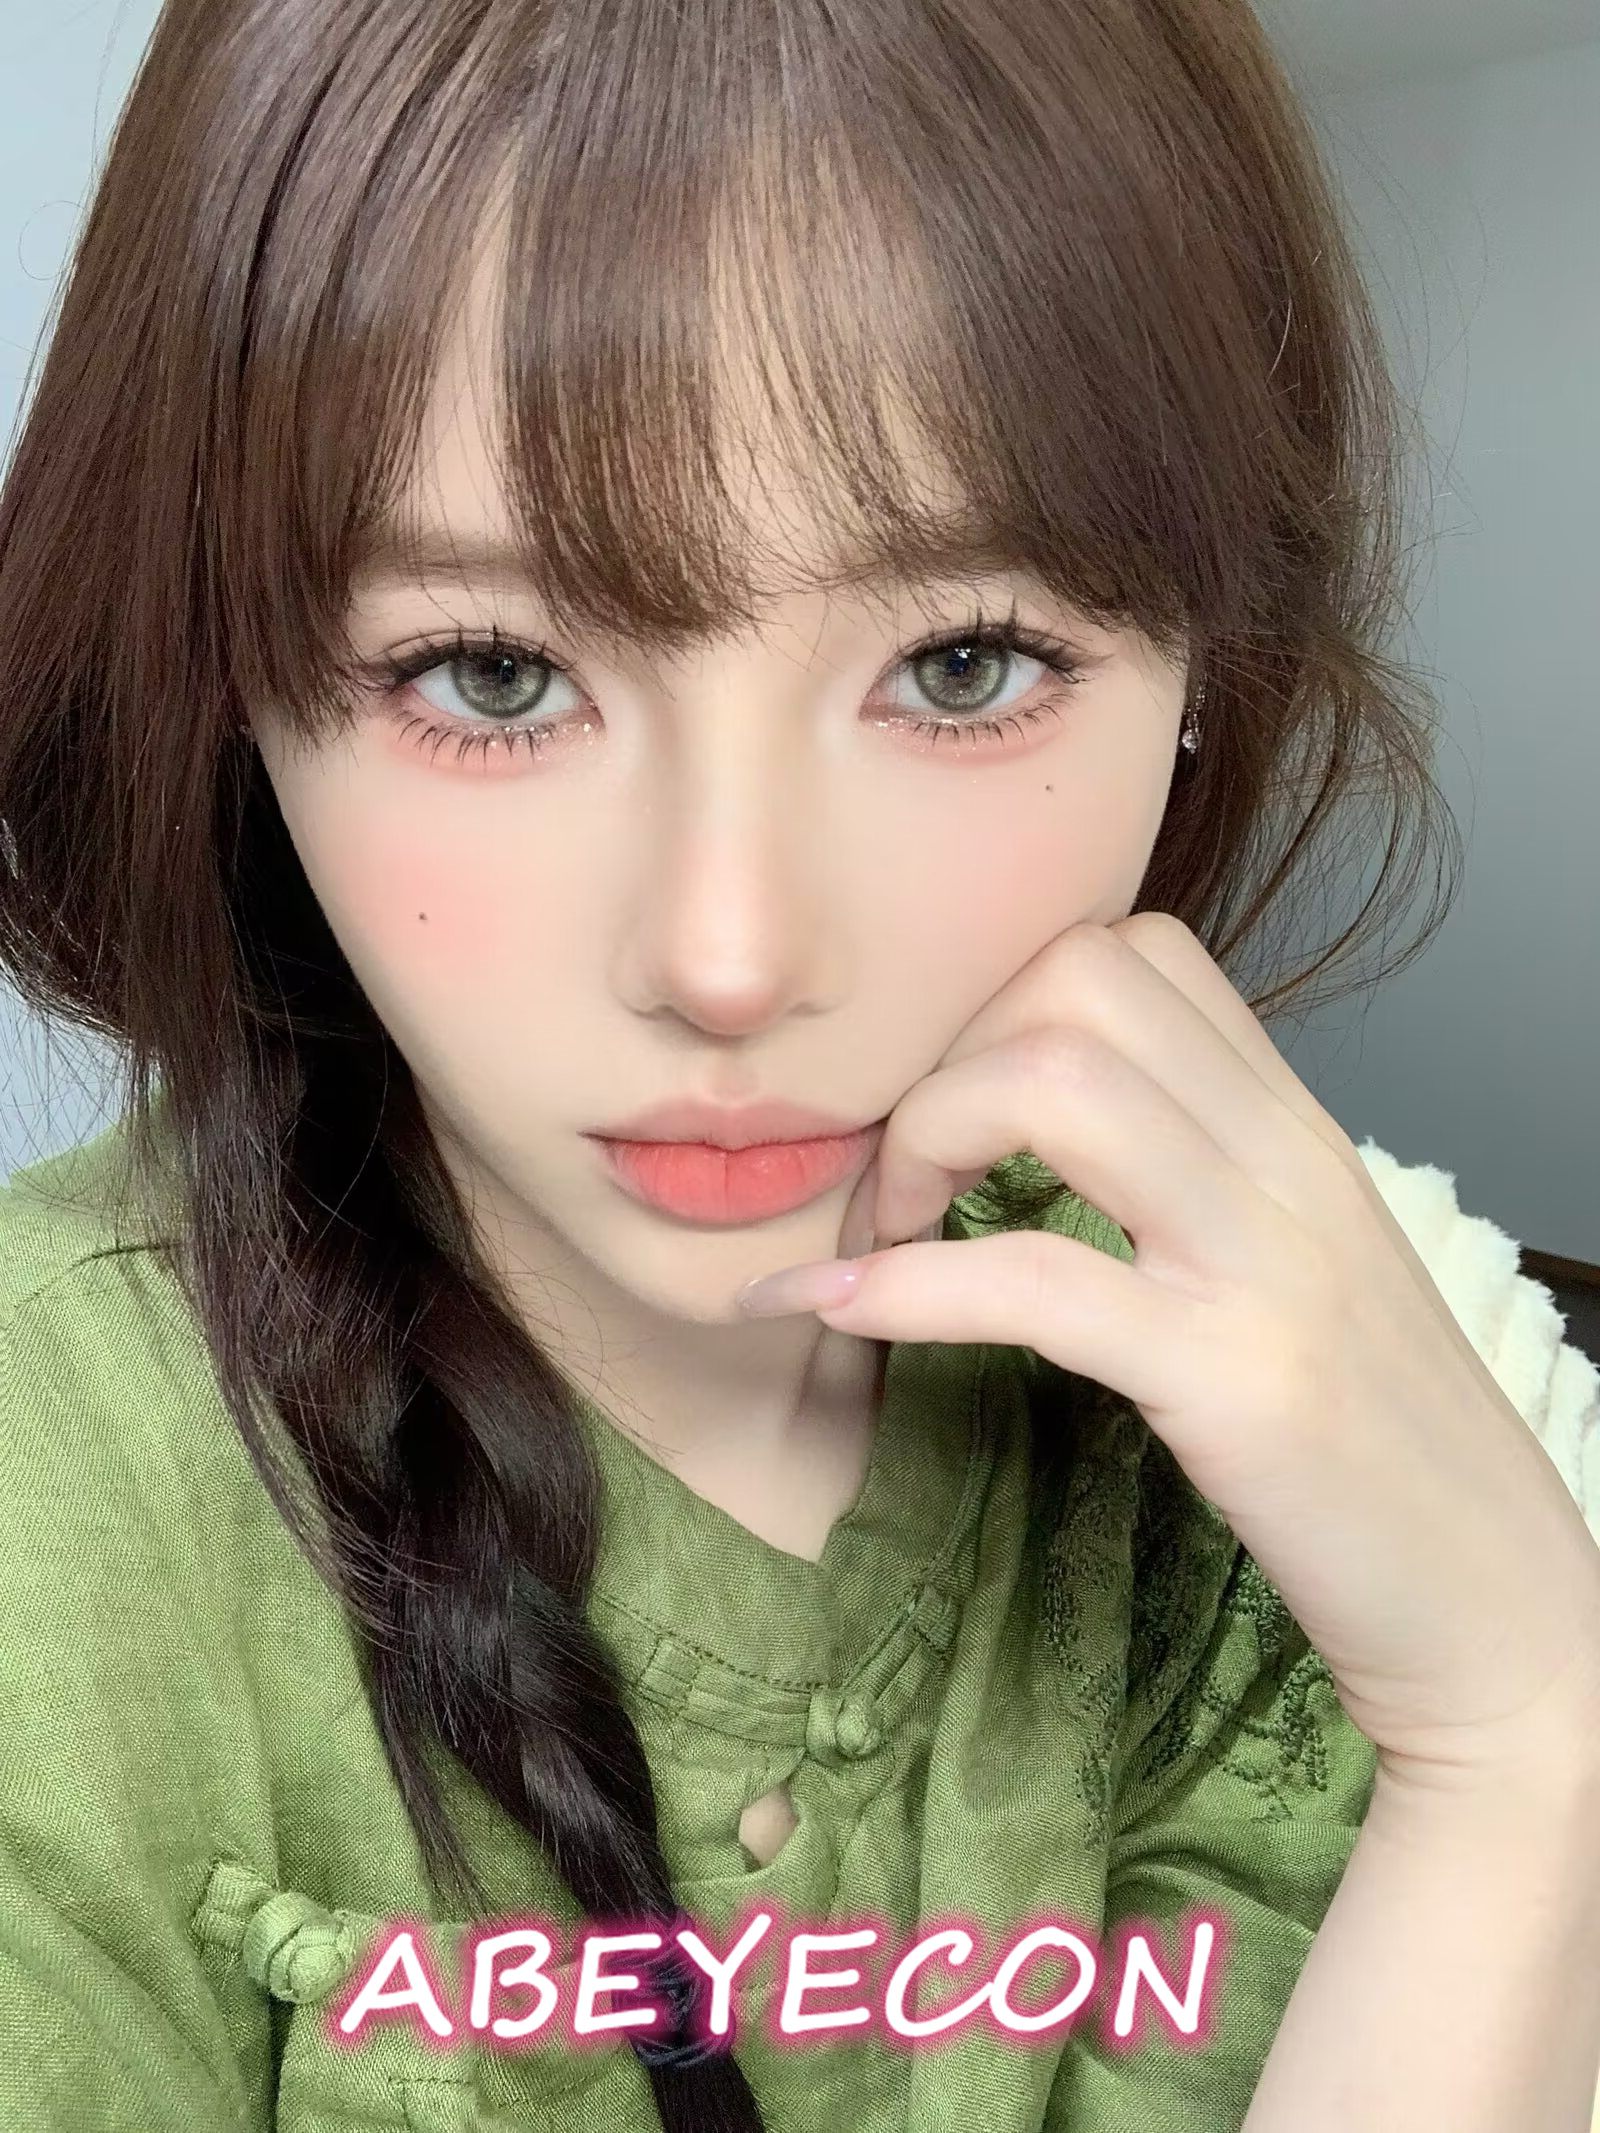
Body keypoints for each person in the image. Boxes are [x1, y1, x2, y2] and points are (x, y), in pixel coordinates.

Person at [0, 1, 1597, 2128]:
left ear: (1207, 666)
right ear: (231, 683)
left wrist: (1516, 1727)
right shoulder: (53, 1502)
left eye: (962, 660)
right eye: (492, 672)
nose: (729, 958)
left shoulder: (1260, 1405)